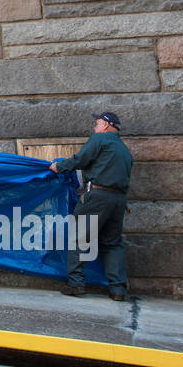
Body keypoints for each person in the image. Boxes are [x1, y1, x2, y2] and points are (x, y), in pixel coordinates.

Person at [49, 111, 132, 300]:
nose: (94, 128)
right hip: (118, 200)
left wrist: (59, 167)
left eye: (96, 124)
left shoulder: (100, 140)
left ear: (105, 124)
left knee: (78, 238)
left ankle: (76, 284)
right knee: (112, 243)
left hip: (97, 196)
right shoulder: (124, 149)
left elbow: (80, 159)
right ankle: (118, 289)